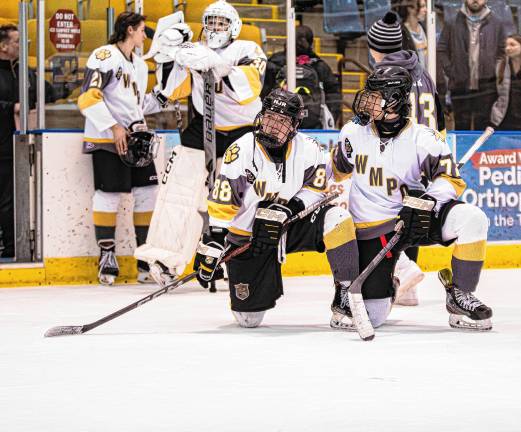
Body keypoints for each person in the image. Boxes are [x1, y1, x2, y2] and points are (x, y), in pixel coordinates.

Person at [330, 65, 493, 331]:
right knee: (373, 316)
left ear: (394, 100)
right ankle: (390, 282)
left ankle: (460, 294)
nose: (366, 100)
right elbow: (335, 170)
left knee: (472, 219)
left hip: (414, 220)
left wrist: (427, 201)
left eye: (375, 95)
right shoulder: (352, 132)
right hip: (373, 231)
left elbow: (450, 180)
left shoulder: (423, 138)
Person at [192, 89, 359, 329]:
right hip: (250, 237)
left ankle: (345, 294)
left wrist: (290, 209)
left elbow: (316, 188)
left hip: (290, 226)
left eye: (281, 121)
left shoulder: (309, 149)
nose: (272, 125)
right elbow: (222, 204)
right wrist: (216, 241)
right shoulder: (241, 151)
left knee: (337, 217)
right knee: (248, 319)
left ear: (294, 125)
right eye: (269, 117)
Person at [134, 0, 267, 285]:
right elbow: (173, 90)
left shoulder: (247, 49)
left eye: (221, 23)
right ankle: (166, 258)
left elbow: (249, 89)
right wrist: (169, 57)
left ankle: (239, 258)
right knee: (179, 192)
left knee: (241, 198)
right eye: (211, 22)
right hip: (203, 127)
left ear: (234, 27)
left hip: (244, 131)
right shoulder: (194, 49)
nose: (215, 28)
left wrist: (216, 64)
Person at [77, 12, 163, 285]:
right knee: (109, 195)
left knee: (148, 192)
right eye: (141, 30)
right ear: (129, 30)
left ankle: (144, 260)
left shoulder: (138, 64)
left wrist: (163, 94)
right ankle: (107, 258)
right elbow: (87, 97)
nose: (144, 36)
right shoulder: (105, 55)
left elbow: (135, 105)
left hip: (136, 140)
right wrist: (113, 126)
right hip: (107, 138)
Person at [368, 10, 446, 306]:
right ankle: (408, 290)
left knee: (380, 219)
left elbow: (372, 124)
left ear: (375, 47)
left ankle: (402, 271)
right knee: (413, 218)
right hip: (427, 157)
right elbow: (439, 118)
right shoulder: (423, 72)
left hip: (398, 158)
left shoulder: (382, 77)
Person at [438, 0, 506, 130]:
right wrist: (451, 71)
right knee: (461, 128)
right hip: (460, 87)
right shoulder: (452, 22)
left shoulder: (497, 23)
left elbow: (502, 52)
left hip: (487, 87)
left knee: (484, 129)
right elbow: (441, 49)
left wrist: (495, 70)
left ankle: (483, 152)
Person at [0, 24, 37, 260]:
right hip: (2, 143)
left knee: (13, 199)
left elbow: (44, 93)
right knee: (5, 199)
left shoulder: (25, 71)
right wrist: (11, 107)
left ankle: (13, 246)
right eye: (16, 41)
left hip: (18, 144)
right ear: (3, 46)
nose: (21, 46)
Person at [262, 25, 341, 129]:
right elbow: (333, 95)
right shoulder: (320, 65)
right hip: (313, 125)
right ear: (311, 43)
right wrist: (331, 118)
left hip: (279, 124)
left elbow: (264, 92)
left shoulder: (275, 62)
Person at [395, 0, 429, 70]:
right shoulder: (401, 34)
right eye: (422, 6)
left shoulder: (425, 29)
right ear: (410, 9)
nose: (426, 10)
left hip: (427, 78)